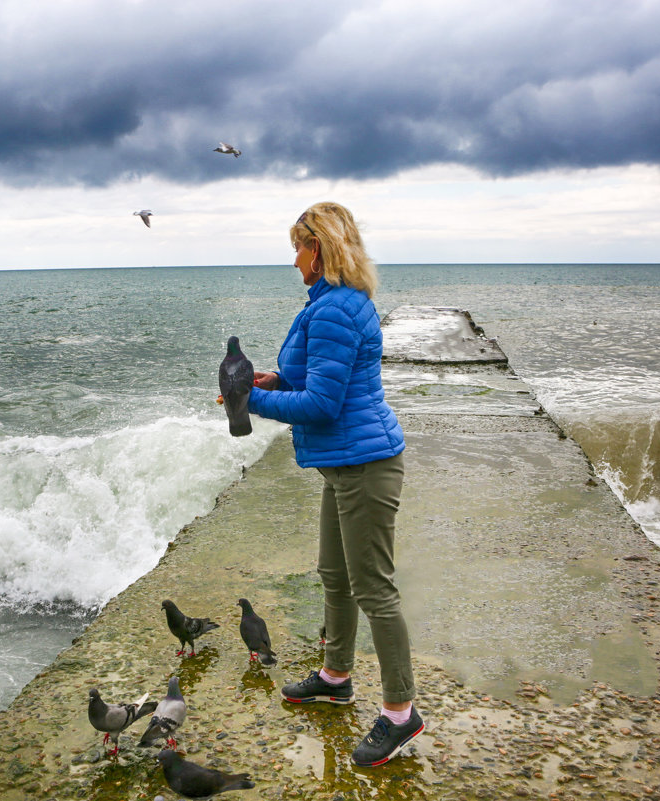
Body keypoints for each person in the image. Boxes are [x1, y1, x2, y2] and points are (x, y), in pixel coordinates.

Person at [248, 202, 423, 767]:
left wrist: (249, 399)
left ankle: (401, 714)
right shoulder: (338, 304)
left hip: (366, 465)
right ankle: (335, 676)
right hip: (347, 462)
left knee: (373, 587)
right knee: (334, 575)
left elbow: (322, 405)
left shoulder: (333, 310)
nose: (293, 260)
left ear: (317, 248)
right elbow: (324, 377)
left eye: (298, 247)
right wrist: (276, 379)